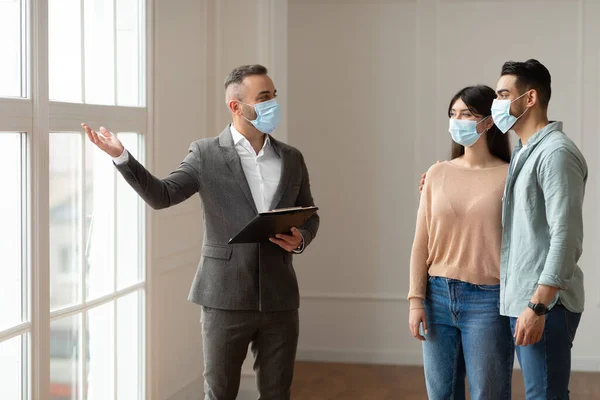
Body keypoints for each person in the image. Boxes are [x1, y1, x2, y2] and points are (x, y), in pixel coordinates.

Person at [82, 64, 320, 400]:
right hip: (223, 298)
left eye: (273, 96)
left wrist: (302, 239)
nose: (272, 105)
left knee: (278, 393)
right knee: (220, 394)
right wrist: (122, 157)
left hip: (280, 300)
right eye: (264, 98)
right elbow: (161, 195)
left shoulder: (292, 158)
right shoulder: (205, 154)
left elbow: (310, 215)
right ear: (235, 106)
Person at [408, 85, 514, 400]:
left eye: (467, 114)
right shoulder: (437, 173)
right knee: (441, 394)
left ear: (489, 121)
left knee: (489, 394)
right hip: (436, 295)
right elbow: (420, 242)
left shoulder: (511, 175)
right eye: (453, 114)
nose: (458, 121)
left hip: (489, 300)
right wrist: (416, 300)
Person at [492, 59, 586, 399]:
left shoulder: (556, 153)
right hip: (522, 299)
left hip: (545, 304)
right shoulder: (523, 152)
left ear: (529, 99)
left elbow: (566, 235)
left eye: (504, 94)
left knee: (544, 395)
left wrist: (538, 306)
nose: (497, 104)